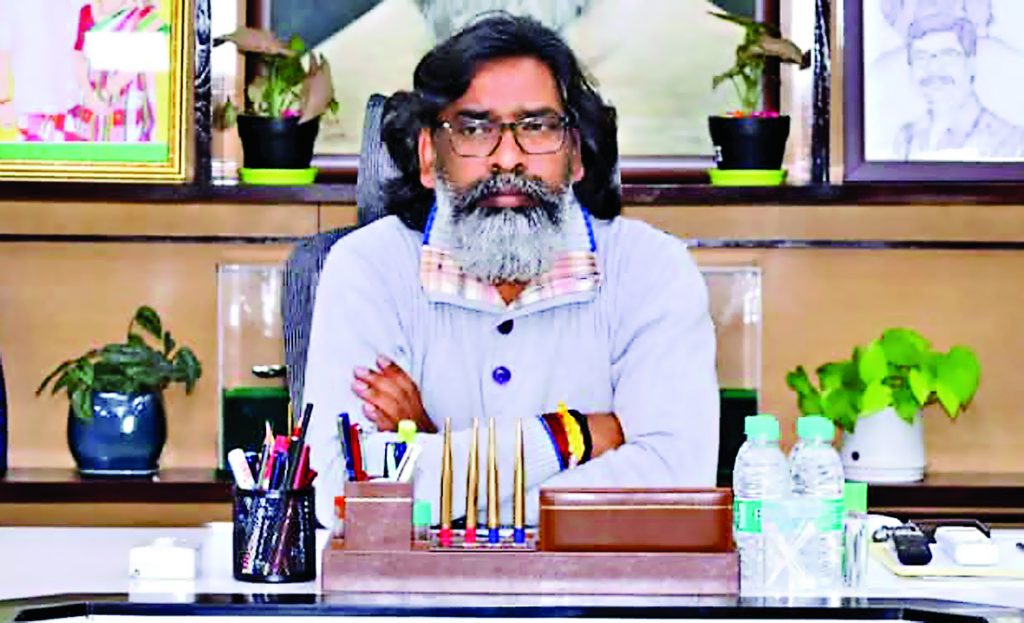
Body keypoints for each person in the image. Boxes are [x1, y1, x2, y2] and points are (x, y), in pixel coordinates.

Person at [303, 12, 719, 528]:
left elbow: (673, 489)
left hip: (592, 584)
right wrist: (570, 437)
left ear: (576, 154)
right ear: (429, 156)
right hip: (419, 586)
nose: (507, 158)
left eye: (537, 127)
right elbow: (342, 494)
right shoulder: (368, 268)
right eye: (475, 129)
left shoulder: (652, 270)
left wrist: (436, 457)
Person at [894, 13, 1024, 160]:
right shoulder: (905, 139)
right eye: (921, 57)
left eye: (948, 55)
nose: (933, 68)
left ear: (972, 64)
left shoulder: (1011, 142)